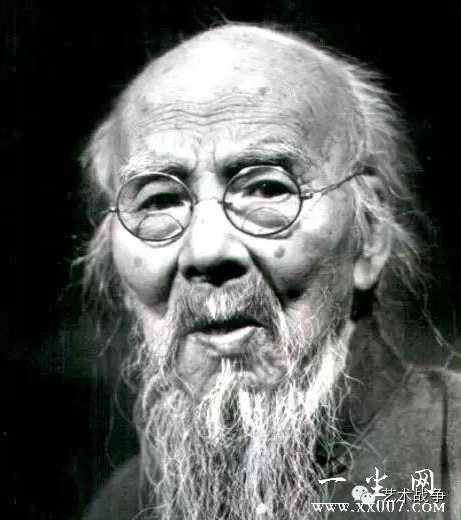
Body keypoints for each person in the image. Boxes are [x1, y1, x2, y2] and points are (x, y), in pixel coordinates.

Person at [79, 23, 461, 519]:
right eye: (160, 201)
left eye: (267, 189)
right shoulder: (125, 504)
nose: (207, 251)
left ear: (369, 232)